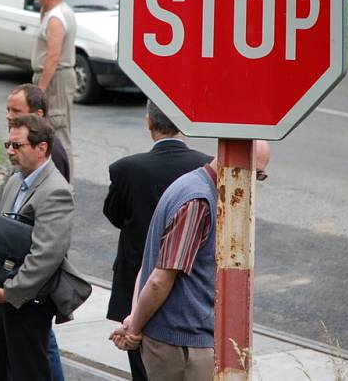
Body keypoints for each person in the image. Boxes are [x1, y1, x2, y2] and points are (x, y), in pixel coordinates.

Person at [110, 141, 271, 380]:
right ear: (234, 160)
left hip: (176, 342)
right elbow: (159, 280)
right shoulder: (199, 201)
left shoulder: (190, 184)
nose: (254, 183)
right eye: (255, 173)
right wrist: (134, 328)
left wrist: (134, 319)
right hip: (183, 348)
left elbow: (149, 263)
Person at [103, 100, 211, 380]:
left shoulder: (126, 170)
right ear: (184, 124)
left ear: (149, 123)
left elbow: (115, 216)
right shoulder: (204, 168)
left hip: (139, 282)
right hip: (191, 299)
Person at [0, 114, 89, 381]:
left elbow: (46, 255)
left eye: (17, 146)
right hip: (5, 297)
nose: (10, 151)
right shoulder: (15, 181)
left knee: (28, 372)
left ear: (41, 148)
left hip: (28, 302)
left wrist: (10, 292)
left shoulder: (55, 191)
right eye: (8, 144)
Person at [6, 84, 69, 380]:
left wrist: (11, 290)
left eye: (16, 111)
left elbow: (48, 247)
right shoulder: (19, 175)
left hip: (31, 291)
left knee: (39, 352)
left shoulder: (51, 161)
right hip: (16, 286)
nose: (9, 116)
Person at [31, 0, 77, 179]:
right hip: (57, 75)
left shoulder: (56, 18)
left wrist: (41, 87)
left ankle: (66, 183)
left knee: (58, 128)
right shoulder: (60, 11)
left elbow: (53, 56)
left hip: (55, 79)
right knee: (48, 129)